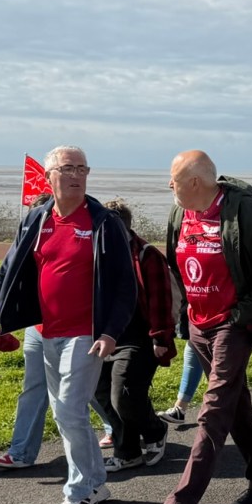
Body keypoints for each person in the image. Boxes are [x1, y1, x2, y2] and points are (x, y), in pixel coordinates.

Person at [0, 146, 137, 504]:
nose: (76, 175)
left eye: (82, 168)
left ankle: (78, 492)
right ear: (49, 176)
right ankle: (96, 484)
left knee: (67, 410)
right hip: (44, 331)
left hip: (86, 333)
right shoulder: (36, 218)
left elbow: (124, 286)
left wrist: (111, 332)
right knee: (70, 413)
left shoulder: (103, 222)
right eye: (67, 168)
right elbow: (7, 272)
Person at [141, 151, 252, 504]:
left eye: (173, 180)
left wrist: (240, 314)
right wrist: (188, 314)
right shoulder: (180, 214)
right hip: (199, 324)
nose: (169, 187)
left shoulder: (244, 213)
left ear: (194, 182)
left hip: (232, 325)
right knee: (236, 407)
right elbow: (176, 263)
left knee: (213, 412)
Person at [92, 201, 176, 473]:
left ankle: (155, 431)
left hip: (138, 336)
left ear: (121, 225)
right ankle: (127, 452)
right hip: (105, 335)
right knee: (100, 392)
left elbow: (161, 298)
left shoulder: (146, 254)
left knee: (124, 395)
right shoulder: (98, 251)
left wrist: (161, 338)